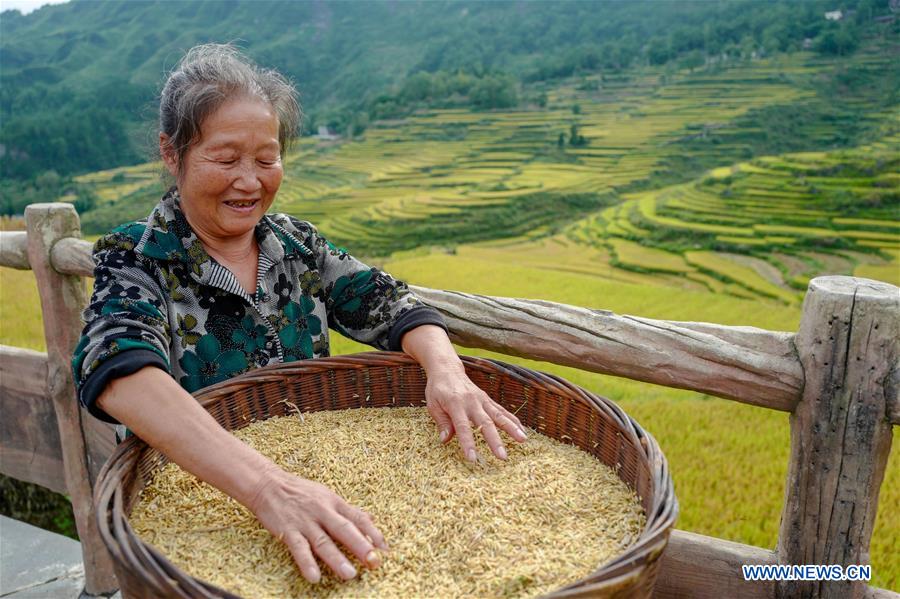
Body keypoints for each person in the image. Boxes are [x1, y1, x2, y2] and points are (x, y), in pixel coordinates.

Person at [72, 44, 528, 584]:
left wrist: (447, 372)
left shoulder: (297, 246)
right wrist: (268, 488)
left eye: (267, 161)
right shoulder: (136, 257)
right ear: (172, 154)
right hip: (200, 506)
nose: (250, 181)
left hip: (316, 481)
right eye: (225, 160)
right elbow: (117, 370)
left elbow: (387, 301)